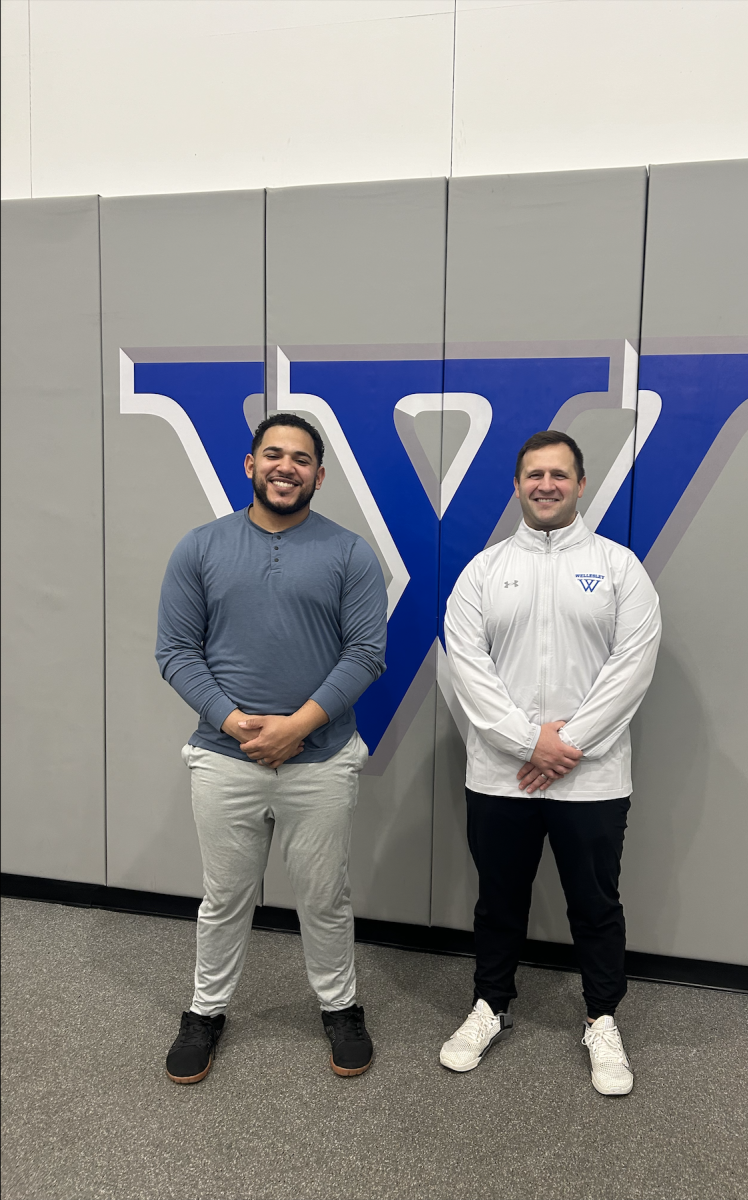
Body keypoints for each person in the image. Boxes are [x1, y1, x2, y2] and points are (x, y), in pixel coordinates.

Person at [156, 413, 387, 1084]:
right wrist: (235, 723)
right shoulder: (198, 547)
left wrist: (295, 726)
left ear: (320, 475)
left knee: (324, 896)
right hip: (224, 759)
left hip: (320, 760)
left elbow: (366, 653)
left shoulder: (350, 553)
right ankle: (205, 1012)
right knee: (225, 895)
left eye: (301, 458)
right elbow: (174, 651)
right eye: (273, 455)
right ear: (250, 465)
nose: (286, 467)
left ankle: (340, 1006)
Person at [440, 429, 661, 1095]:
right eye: (532, 473)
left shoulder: (619, 567)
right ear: (516, 485)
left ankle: (600, 1018)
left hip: (591, 781)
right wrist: (525, 742)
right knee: (498, 901)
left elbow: (633, 665)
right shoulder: (482, 572)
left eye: (557, 474)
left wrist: (567, 746)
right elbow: (466, 667)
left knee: (594, 905)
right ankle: (489, 1006)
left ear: (580, 484)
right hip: (499, 777)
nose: (544, 484)